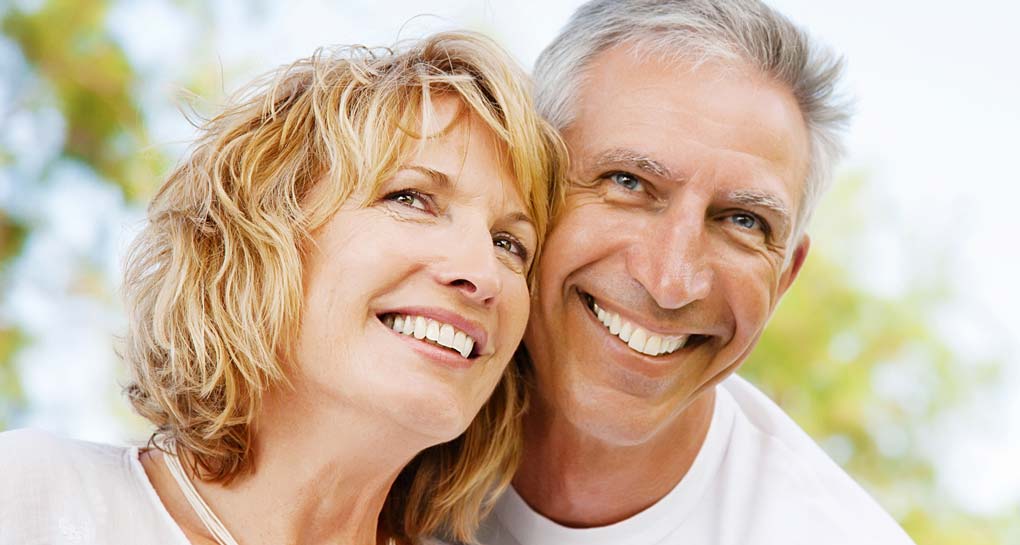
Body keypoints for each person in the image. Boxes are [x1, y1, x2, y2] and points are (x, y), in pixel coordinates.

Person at [0, 31, 565, 545]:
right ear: (261, 239)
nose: (483, 274)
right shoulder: (32, 498)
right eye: (411, 198)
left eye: (510, 243)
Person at [475, 1, 917, 544]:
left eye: (743, 221)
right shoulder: (386, 418)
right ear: (526, 182)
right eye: (628, 182)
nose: (670, 281)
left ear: (784, 278)